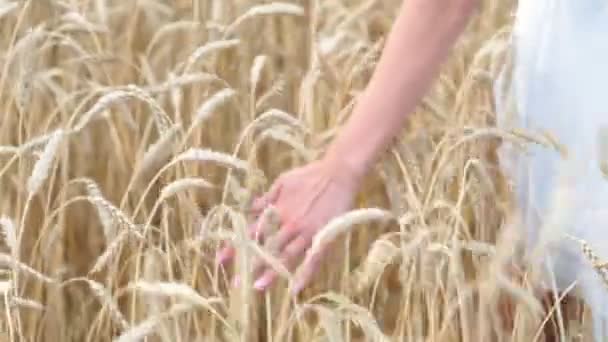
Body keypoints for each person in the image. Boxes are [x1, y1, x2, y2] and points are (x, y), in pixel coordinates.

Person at [217, 0, 608, 340]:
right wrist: (339, 168)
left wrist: (342, 166)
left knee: (559, 302)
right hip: (576, 84)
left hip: (577, 90)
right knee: (559, 303)